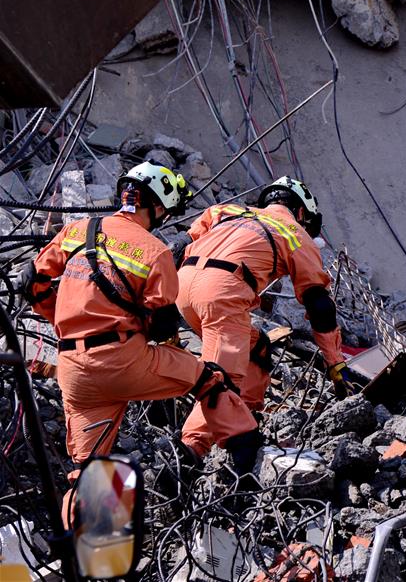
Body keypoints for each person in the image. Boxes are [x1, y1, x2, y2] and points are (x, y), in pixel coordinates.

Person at [16, 161, 258, 512]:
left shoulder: (77, 231)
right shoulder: (154, 251)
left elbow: (31, 284)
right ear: (157, 207)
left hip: (73, 369)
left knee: (87, 471)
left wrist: (65, 320)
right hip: (122, 361)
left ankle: (85, 556)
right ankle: (246, 467)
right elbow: (161, 327)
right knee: (210, 381)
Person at [175, 176, 347, 461]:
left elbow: (176, 248)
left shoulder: (225, 211)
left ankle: (246, 418)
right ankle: (191, 450)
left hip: (183, 286)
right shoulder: (294, 233)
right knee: (220, 379)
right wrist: (335, 363)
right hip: (222, 293)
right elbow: (319, 305)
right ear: (301, 213)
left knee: (256, 349)